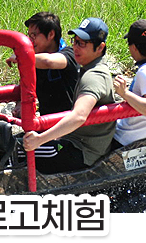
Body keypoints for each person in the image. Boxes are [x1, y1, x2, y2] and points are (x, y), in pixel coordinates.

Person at [22, 17, 116, 173]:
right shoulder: (88, 69)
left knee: (16, 150)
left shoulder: (94, 76)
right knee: (15, 144)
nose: (75, 48)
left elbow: (79, 116)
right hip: (74, 141)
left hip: (82, 150)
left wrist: (40, 140)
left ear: (100, 48)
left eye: (82, 44)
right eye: (74, 41)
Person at [5, 12, 79, 116]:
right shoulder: (35, 58)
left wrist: (21, 57)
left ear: (51, 34)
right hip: (47, 124)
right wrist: (19, 105)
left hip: (71, 125)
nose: (30, 40)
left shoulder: (69, 54)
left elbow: (48, 61)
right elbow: (25, 86)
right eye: (29, 35)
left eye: (34, 35)